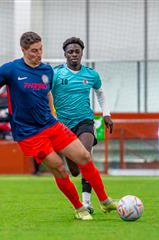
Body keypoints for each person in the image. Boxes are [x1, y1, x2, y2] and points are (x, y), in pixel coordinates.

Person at [0, 32, 117, 220]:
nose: (39, 54)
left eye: (41, 49)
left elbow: (48, 93)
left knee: (84, 156)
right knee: (59, 167)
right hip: (29, 134)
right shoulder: (10, 70)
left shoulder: (46, 71)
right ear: (23, 50)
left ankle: (105, 201)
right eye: (34, 51)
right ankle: (79, 208)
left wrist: (53, 111)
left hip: (51, 125)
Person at [50, 37, 113, 214]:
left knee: (85, 156)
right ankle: (88, 199)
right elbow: (45, 93)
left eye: (77, 51)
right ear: (65, 54)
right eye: (70, 52)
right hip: (63, 127)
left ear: (82, 53)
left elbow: (100, 94)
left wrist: (106, 114)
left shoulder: (91, 74)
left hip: (85, 121)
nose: (74, 54)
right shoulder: (56, 74)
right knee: (75, 170)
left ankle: (87, 202)